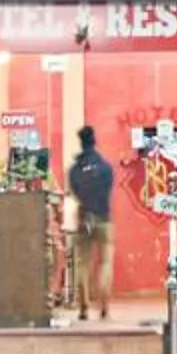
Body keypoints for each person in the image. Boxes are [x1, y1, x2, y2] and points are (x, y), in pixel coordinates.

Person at [68, 126, 116, 323]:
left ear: (81, 142)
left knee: (82, 264)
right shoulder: (106, 167)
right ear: (94, 140)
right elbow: (108, 190)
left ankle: (84, 308)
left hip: (83, 218)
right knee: (105, 262)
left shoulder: (74, 169)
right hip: (103, 218)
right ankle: (104, 305)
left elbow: (75, 192)